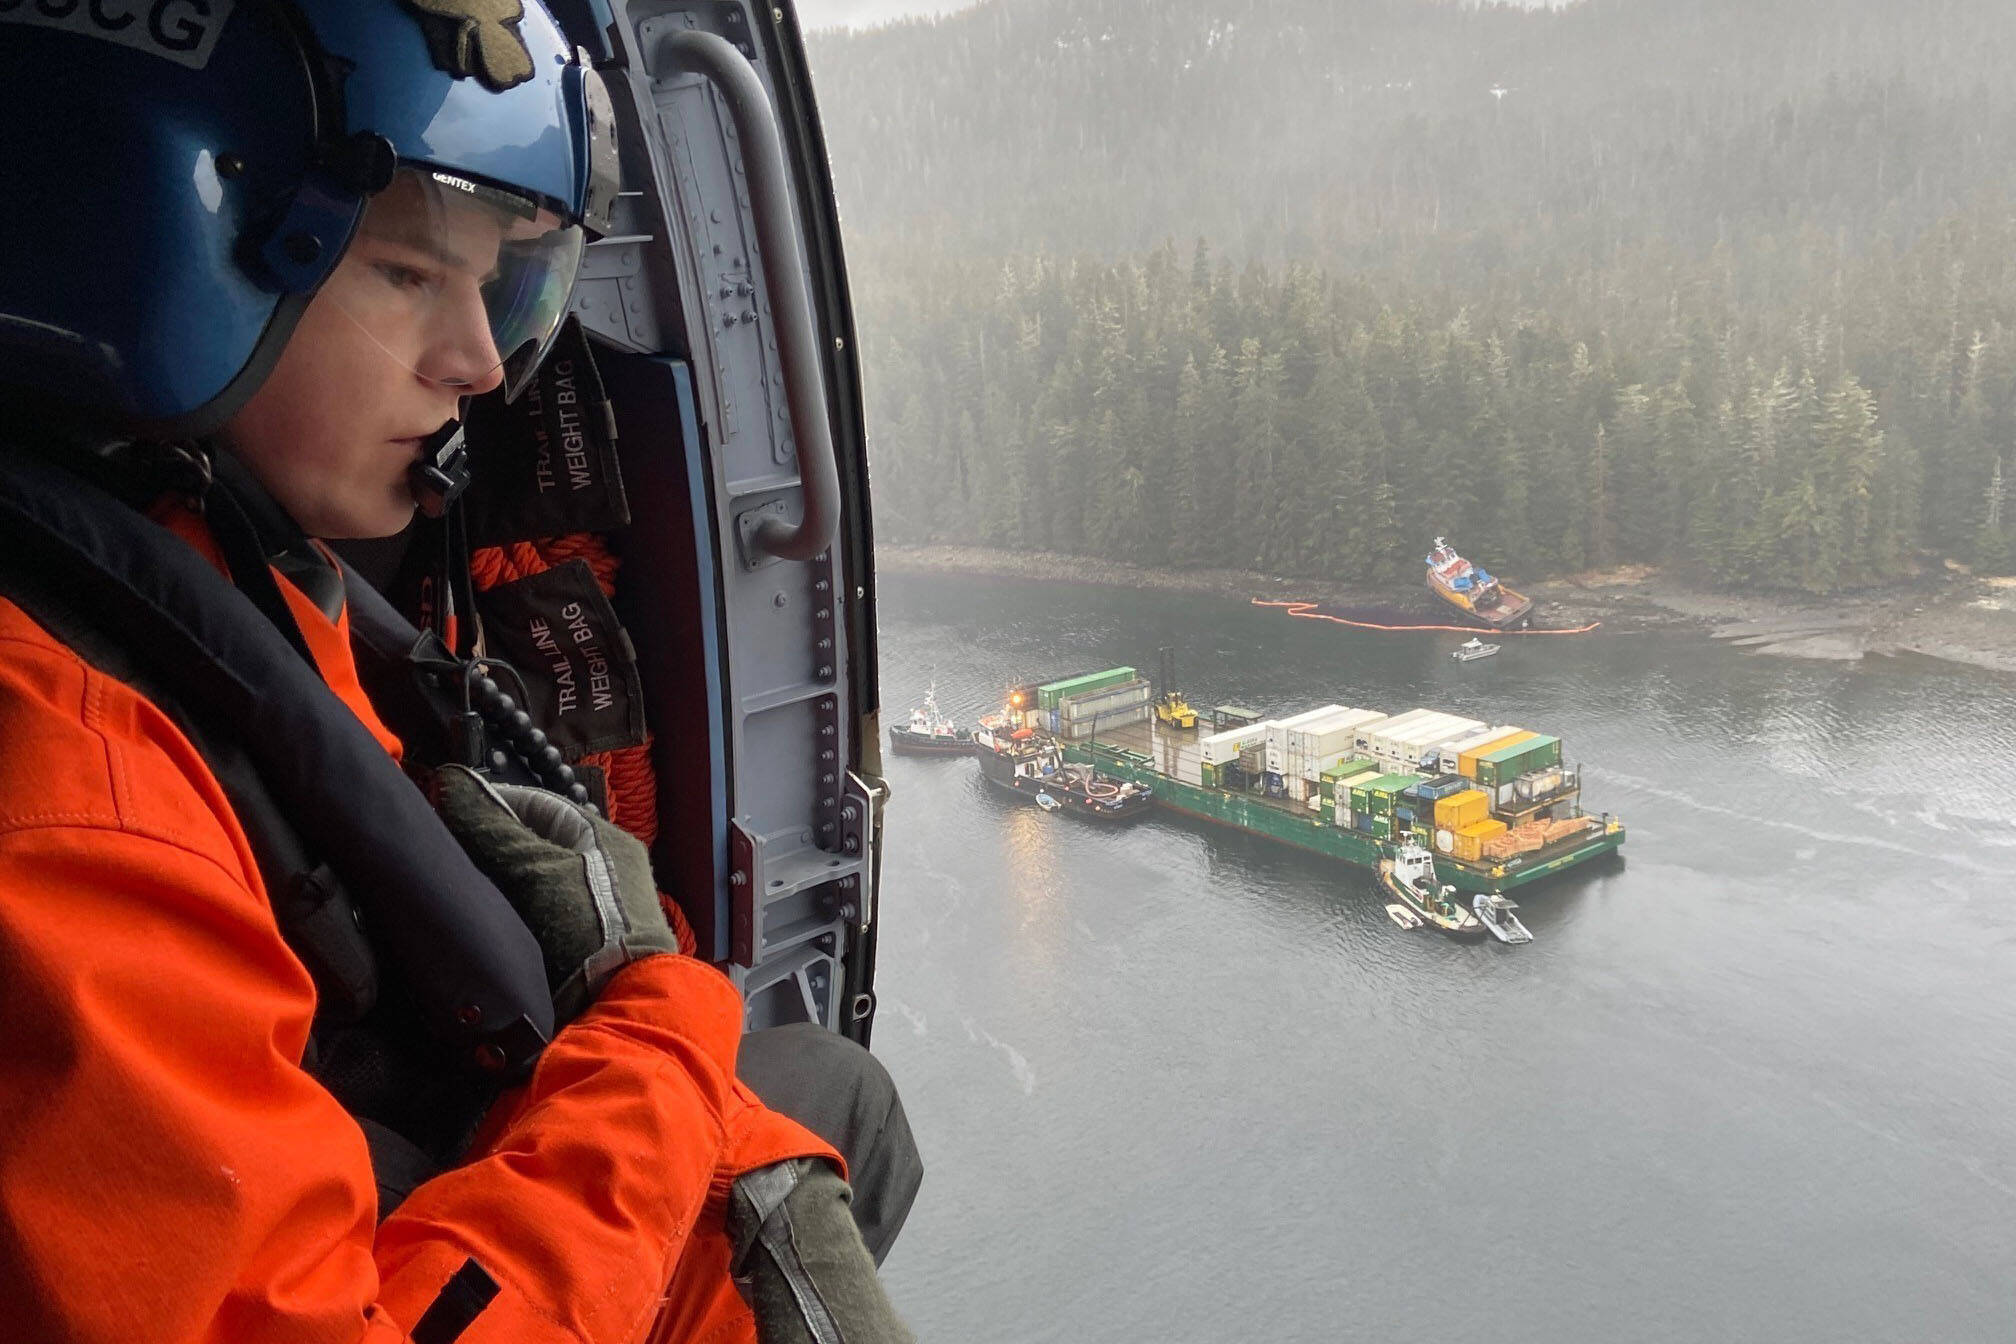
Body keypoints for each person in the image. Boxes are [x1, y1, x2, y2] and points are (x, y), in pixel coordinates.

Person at [0, 2, 915, 1340]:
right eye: (408, 274)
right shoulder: (68, 793)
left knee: (841, 1097)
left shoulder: (189, 547)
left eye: (498, 288)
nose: (480, 365)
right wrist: (656, 1021)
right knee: (818, 1107)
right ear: (145, 220)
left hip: (384, 1165)